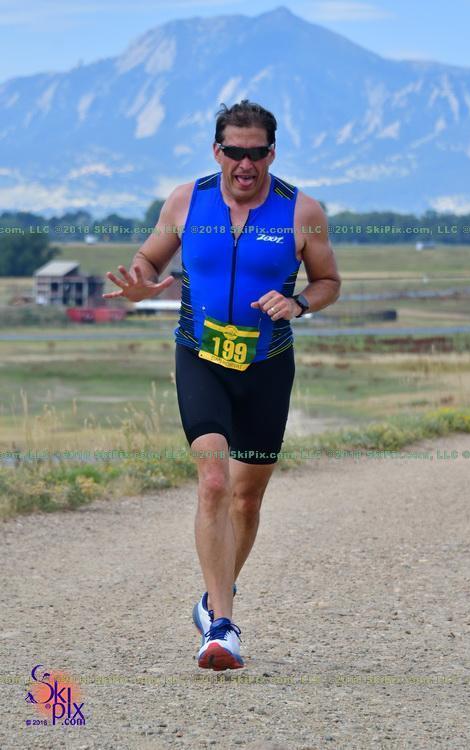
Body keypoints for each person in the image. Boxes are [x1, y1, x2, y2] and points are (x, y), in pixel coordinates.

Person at [103, 100, 342, 671]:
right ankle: (223, 629)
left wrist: (299, 303)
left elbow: (329, 280)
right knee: (214, 480)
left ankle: (213, 600)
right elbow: (149, 257)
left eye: (256, 153)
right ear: (217, 151)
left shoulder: (301, 211)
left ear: (272, 154)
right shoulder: (187, 201)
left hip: (266, 367)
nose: (245, 164)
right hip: (201, 358)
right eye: (234, 151)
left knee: (247, 497)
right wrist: (141, 281)